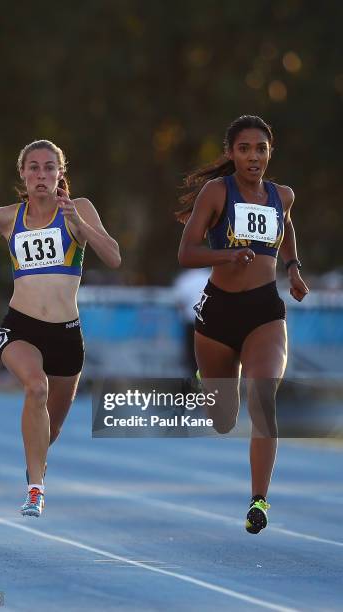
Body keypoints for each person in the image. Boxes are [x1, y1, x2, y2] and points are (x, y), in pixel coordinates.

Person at [0, 140, 121, 517]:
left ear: (60, 174)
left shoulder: (78, 209)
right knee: (36, 388)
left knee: (52, 432)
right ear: (23, 174)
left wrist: (82, 227)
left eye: (49, 168)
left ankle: (36, 467)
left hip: (66, 334)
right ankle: (35, 490)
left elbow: (113, 257)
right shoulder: (4, 217)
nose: (41, 175)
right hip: (21, 328)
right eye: (34, 168)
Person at [176, 115, 309, 534]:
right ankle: (208, 378)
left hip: (264, 312)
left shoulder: (281, 195)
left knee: (263, 400)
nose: (253, 157)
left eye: (261, 149)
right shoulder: (217, 192)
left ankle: (258, 501)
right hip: (217, 315)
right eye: (245, 149)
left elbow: (285, 230)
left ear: (270, 153)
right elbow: (186, 252)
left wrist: (293, 269)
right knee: (223, 420)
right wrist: (227, 257)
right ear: (231, 153)